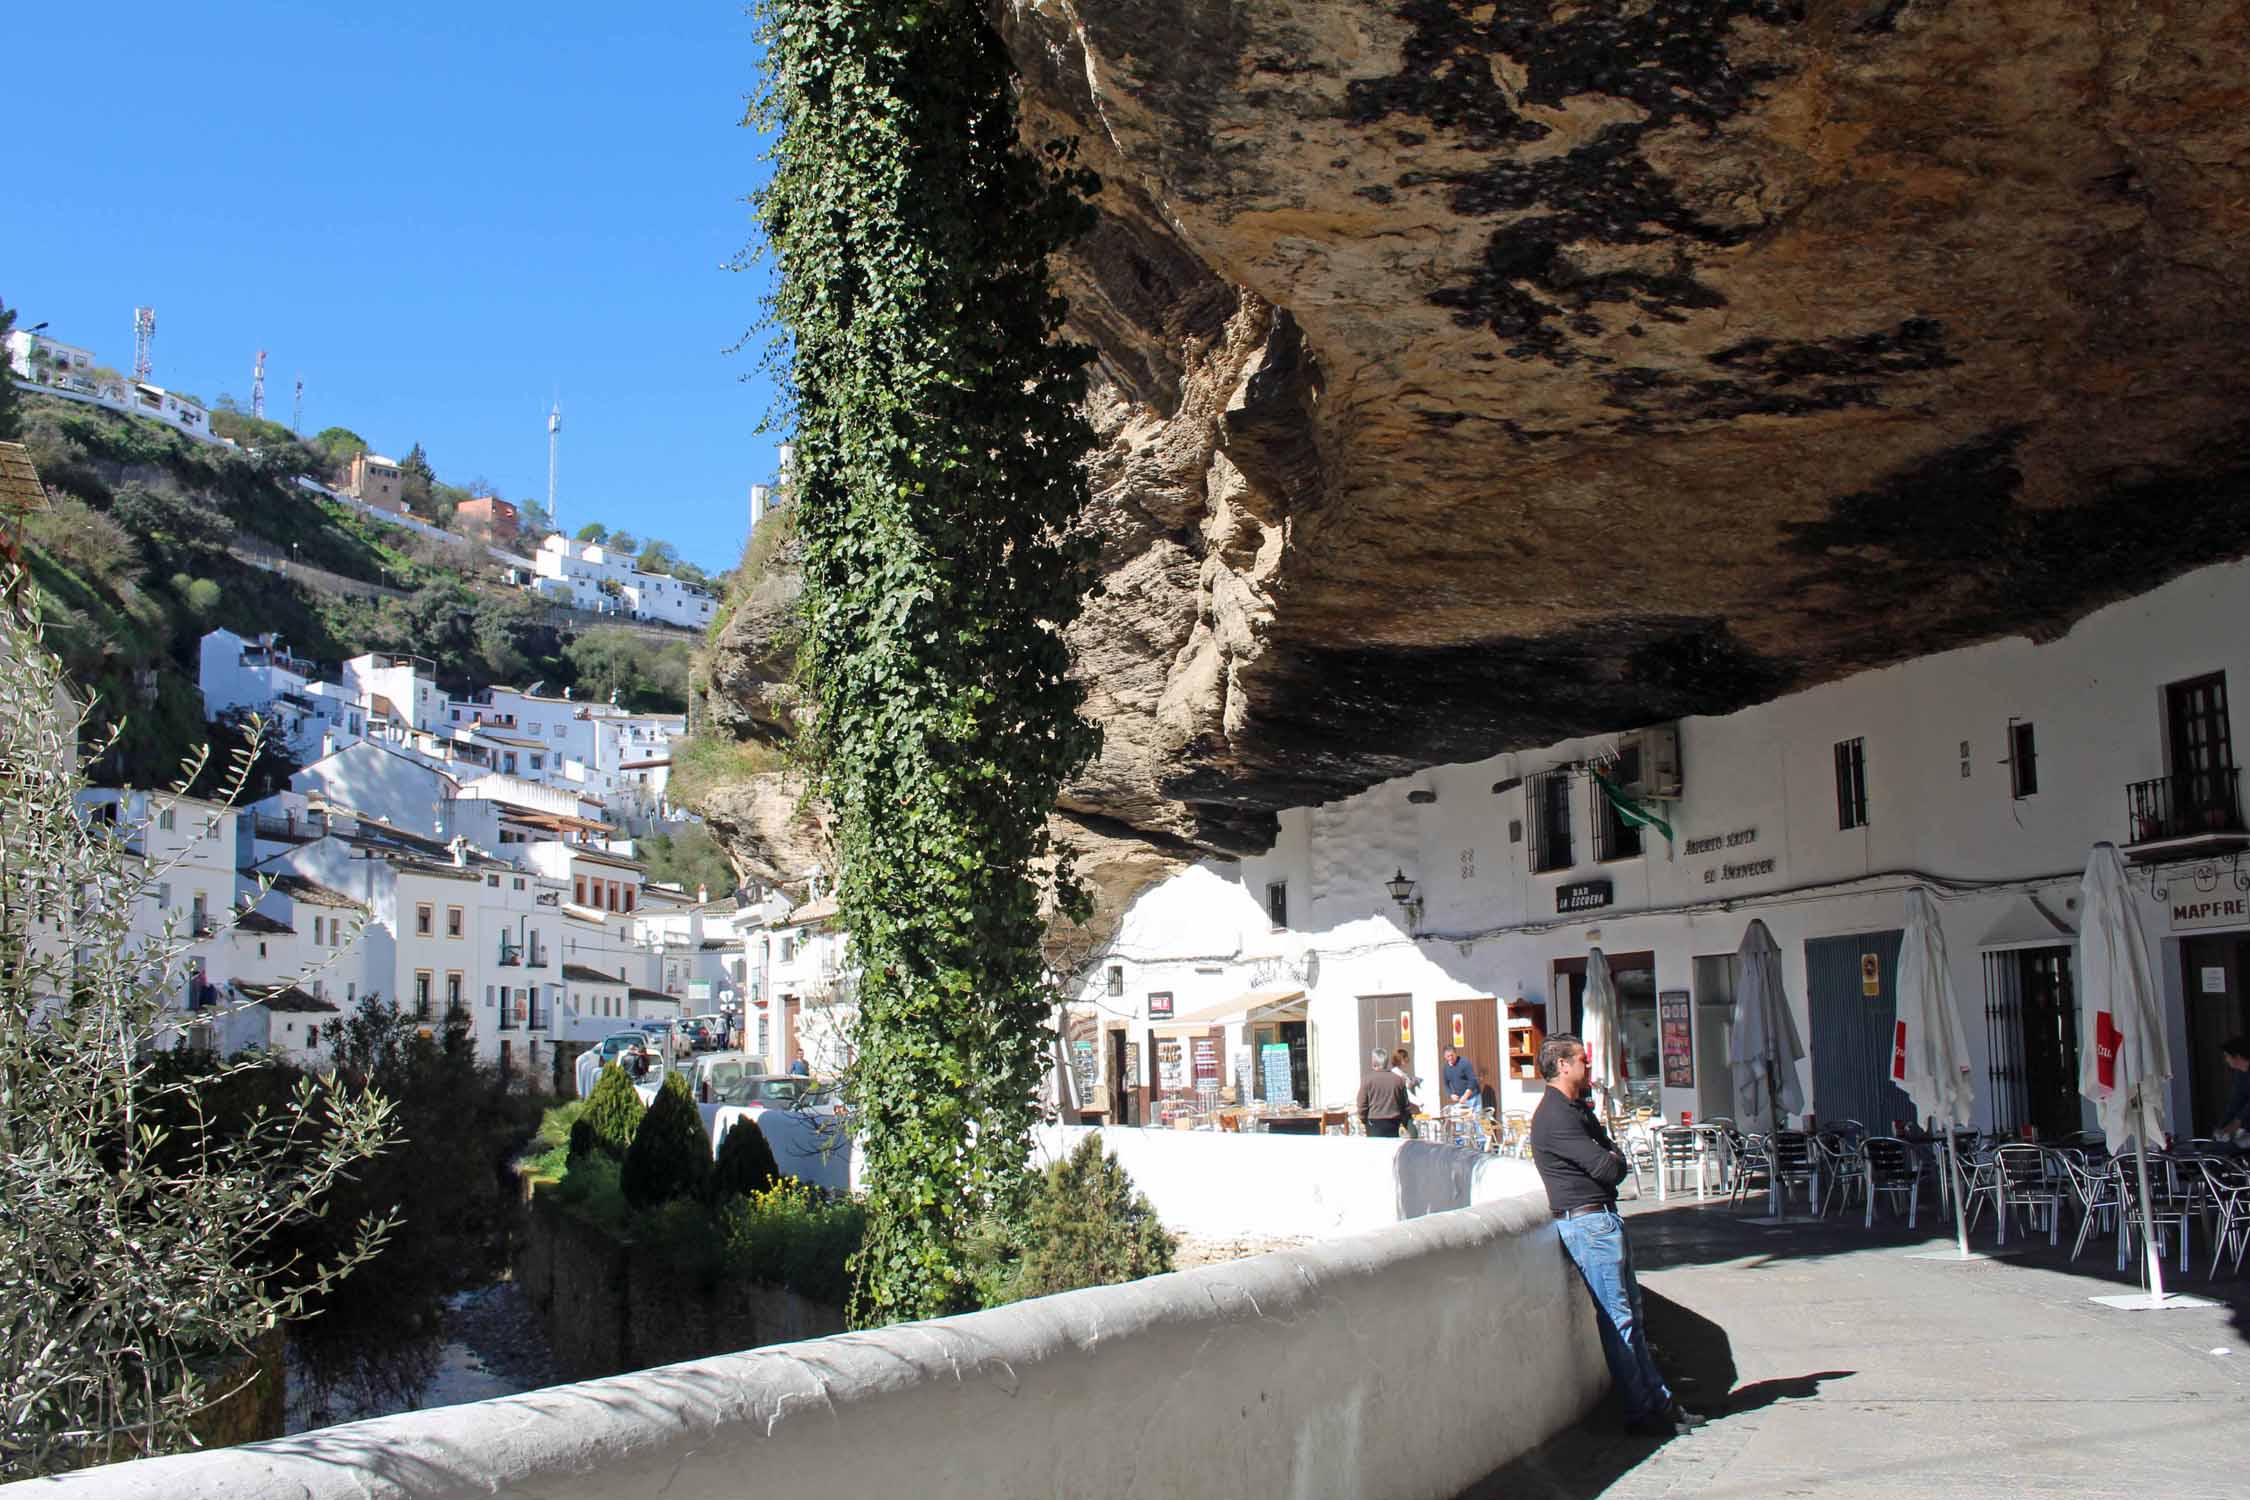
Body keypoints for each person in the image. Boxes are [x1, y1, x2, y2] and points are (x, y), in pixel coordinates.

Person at [1531, 1032, 1704, 1439]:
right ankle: (1642, 1411)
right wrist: (1610, 1159)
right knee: (1619, 1320)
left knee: (1633, 1318)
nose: (1588, 1067)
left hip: (1602, 1221)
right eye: (1582, 1061)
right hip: (1588, 1225)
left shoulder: (1576, 1109)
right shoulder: (1555, 1116)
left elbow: (1615, 1156)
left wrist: (1611, 1158)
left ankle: (1659, 1402)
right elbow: (1609, 1167)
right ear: (1562, 1065)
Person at [1356, 1048, 1410, 1138]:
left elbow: (1362, 1104)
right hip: (1394, 1122)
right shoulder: (1398, 1080)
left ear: (1373, 1062)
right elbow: (1405, 1105)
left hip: (1374, 1122)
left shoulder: (1367, 1080)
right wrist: (1404, 1122)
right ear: (1386, 1061)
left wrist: (1363, 1120)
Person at [2215, 1037, 2250, 1143]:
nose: (2226, 1060)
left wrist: (2237, 1122)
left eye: (2227, 1056)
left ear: (2238, 1056)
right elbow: (2235, 1101)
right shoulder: (2240, 1073)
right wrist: (2221, 1126)